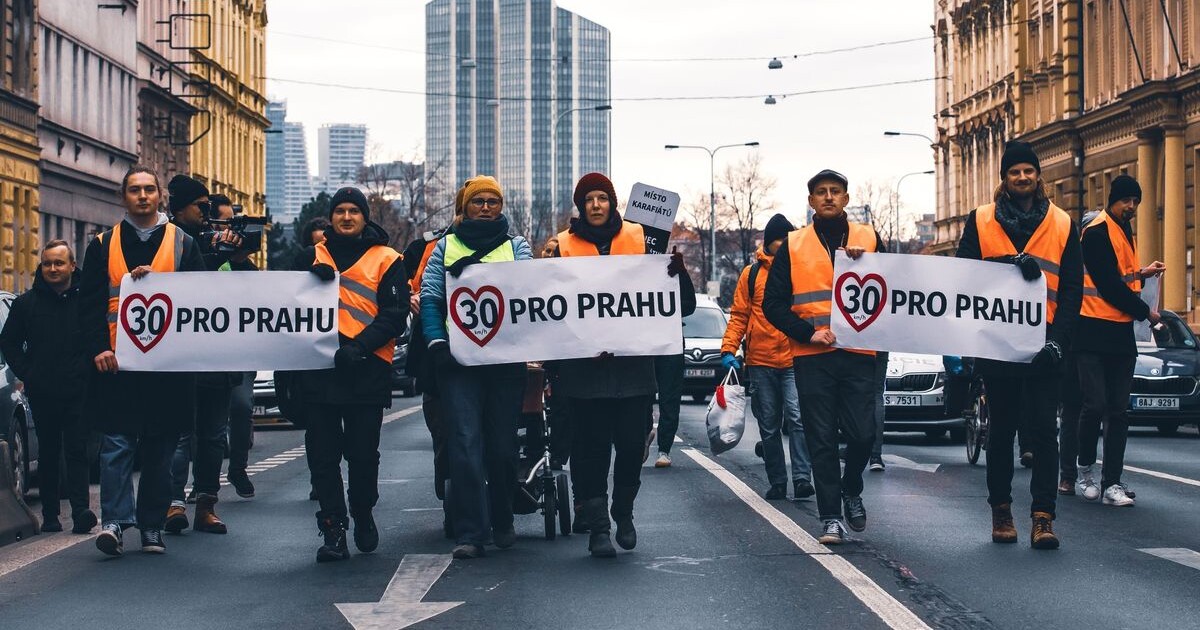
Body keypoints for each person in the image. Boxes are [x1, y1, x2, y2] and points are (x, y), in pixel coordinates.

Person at [553, 172, 696, 558]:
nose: (596, 205)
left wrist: (677, 273)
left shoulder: (640, 241)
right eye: (589, 199)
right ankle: (599, 527)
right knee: (590, 451)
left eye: (602, 197)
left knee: (632, 447)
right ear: (580, 206)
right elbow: (546, 308)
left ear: (612, 202)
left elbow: (681, 305)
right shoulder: (562, 246)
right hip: (584, 374)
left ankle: (623, 511)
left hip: (633, 372)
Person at [955, 141, 1082, 550]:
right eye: (1015, 171)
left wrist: (1059, 343)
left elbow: (1073, 290)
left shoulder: (1062, 222)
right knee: (1002, 431)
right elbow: (962, 275)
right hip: (998, 344)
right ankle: (1002, 511)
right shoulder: (981, 219)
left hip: (1045, 346)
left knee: (1045, 431)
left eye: (1028, 170)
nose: (1022, 177)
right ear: (1004, 178)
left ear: (1038, 175)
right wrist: (1006, 265)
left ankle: (1043, 518)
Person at [79, 165, 205, 556]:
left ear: (159, 195)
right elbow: (89, 305)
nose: (143, 196)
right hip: (117, 366)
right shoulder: (102, 245)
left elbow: (202, 301)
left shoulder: (183, 243)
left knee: (160, 450)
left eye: (149, 189)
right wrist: (99, 348)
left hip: (168, 368)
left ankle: (151, 526)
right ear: (124, 197)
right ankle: (115, 523)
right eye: (135, 190)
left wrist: (162, 285)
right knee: (116, 446)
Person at [762, 169, 883, 546]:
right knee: (821, 437)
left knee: (863, 434)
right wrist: (807, 333)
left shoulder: (870, 238)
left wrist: (869, 264)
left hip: (859, 353)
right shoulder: (794, 244)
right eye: (820, 192)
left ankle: (851, 487)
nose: (828, 197)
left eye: (835, 191)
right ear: (811, 201)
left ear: (846, 198)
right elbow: (773, 304)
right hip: (812, 357)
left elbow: (895, 288)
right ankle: (831, 517)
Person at [292, 186, 408, 562]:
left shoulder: (387, 258)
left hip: (366, 370)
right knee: (322, 457)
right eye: (340, 210)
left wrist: (359, 347)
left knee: (362, 455)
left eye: (353, 211)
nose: (346, 217)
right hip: (319, 371)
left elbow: (395, 315)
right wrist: (307, 279)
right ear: (331, 217)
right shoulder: (309, 257)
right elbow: (283, 307)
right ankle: (333, 528)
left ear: (364, 217)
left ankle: (362, 509)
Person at [421, 175, 531, 560]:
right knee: (464, 445)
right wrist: (437, 343)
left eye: (492, 201)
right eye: (477, 201)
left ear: (501, 207)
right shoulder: (444, 247)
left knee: (502, 448)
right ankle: (471, 532)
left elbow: (530, 295)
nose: (485, 207)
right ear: (465, 207)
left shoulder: (517, 247)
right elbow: (431, 299)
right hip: (459, 363)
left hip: (504, 364)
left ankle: (503, 516)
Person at [1074, 175, 1164, 507]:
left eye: (1136, 202)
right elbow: (1109, 285)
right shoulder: (1096, 232)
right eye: (1127, 200)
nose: (1132, 206)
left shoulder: (1122, 230)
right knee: (1095, 405)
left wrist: (1142, 273)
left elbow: (1120, 275)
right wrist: (1146, 313)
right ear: (1113, 200)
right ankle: (1084, 471)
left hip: (1119, 334)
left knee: (1119, 411)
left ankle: (1112, 483)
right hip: (1092, 331)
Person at [163, 176, 243, 535]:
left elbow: (237, 293)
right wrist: (214, 254)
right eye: (201, 206)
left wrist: (235, 256)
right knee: (179, 434)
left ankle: (206, 505)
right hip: (180, 357)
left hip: (217, 355)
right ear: (180, 207)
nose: (207, 212)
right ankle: (173, 502)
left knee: (212, 436)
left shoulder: (216, 243)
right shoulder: (167, 242)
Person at [0, 240, 97, 534]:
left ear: (72, 266)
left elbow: (99, 337)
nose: (53, 268)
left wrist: (87, 370)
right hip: (43, 392)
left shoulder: (87, 301)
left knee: (77, 451)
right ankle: (51, 516)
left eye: (59, 263)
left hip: (80, 390)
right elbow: (9, 342)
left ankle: (80, 512)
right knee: (49, 453)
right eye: (47, 263)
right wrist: (29, 373)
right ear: (41, 267)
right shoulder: (25, 304)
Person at [720, 213, 814, 500]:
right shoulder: (751, 275)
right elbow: (739, 315)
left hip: (794, 358)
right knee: (769, 426)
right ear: (769, 242)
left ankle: (802, 478)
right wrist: (728, 349)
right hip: (761, 361)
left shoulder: (800, 271)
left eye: (788, 239)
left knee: (798, 420)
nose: (784, 244)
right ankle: (777, 481)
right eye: (780, 240)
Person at [210, 195, 259, 500]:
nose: (230, 229)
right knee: (207, 419)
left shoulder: (243, 263)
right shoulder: (201, 251)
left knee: (241, 407)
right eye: (224, 223)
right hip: (206, 349)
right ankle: (205, 482)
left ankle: (238, 468)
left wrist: (241, 258)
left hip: (240, 349)